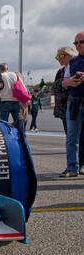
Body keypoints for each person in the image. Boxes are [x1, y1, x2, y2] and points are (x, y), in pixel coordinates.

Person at [61, 31, 84, 177]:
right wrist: (69, 82)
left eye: (81, 42)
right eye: (76, 43)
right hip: (74, 102)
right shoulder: (72, 61)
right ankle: (72, 167)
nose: (78, 45)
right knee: (71, 137)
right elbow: (63, 82)